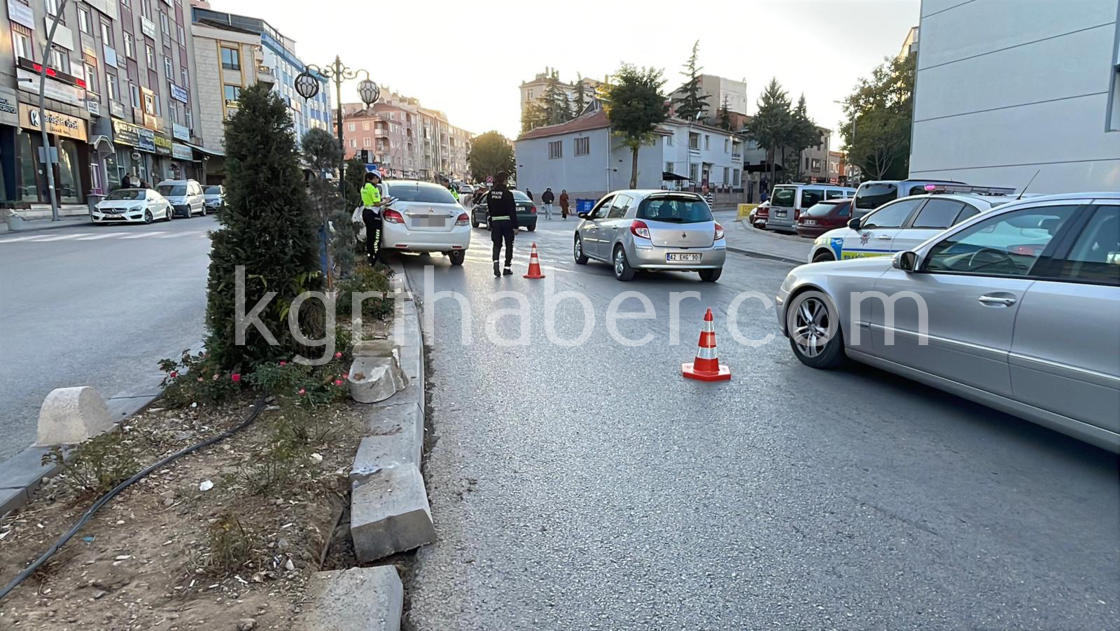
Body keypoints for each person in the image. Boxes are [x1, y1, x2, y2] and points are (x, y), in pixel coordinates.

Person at [486, 172, 518, 277]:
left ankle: (496, 265)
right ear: (504, 180)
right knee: (509, 245)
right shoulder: (508, 194)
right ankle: (506, 268)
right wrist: (515, 226)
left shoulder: (490, 194)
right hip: (507, 222)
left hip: (495, 222)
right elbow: (512, 211)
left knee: (496, 245)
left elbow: (489, 209)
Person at [361, 170, 384, 265]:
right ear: (371, 179)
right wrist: (386, 202)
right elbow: (377, 203)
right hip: (374, 214)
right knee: (376, 237)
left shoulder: (364, 187)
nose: (378, 180)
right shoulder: (374, 189)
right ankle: (375, 258)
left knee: (370, 235)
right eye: (376, 178)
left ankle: (370, 256)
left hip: (366, 211)